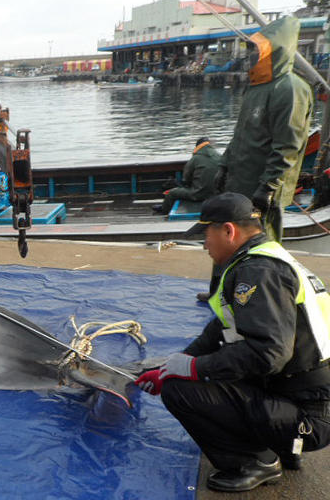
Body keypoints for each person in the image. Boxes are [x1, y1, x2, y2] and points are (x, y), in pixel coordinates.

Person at [136, 192, 330, 493]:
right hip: (303, 395)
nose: (204, 245)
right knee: (186, 376)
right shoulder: (267, 257)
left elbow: (268, 354)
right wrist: (173, 366)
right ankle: (278, 442)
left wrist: (193, 370)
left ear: (228, 230)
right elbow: (221, 329)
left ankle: (255, 460)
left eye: (207, 234)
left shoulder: (259, 272)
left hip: (310, 417)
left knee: (182, 391)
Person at [214, 16, 313, 242]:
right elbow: (240, 135)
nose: (251, 56)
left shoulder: (290, 89)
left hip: (261, 191)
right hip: (239, 186)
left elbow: (288, 146)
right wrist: (224, 165)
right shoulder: (255, 88)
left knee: (260, 246)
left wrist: (268, 187)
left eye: (257, 49)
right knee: (233, 244)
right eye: (250, 49)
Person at [152, 137, 221, 215]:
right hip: (217, 194)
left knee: (171, 193)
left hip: (199, 194)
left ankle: (164, 211)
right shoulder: (219, 156)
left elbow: (186, 179)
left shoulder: (195, 158)